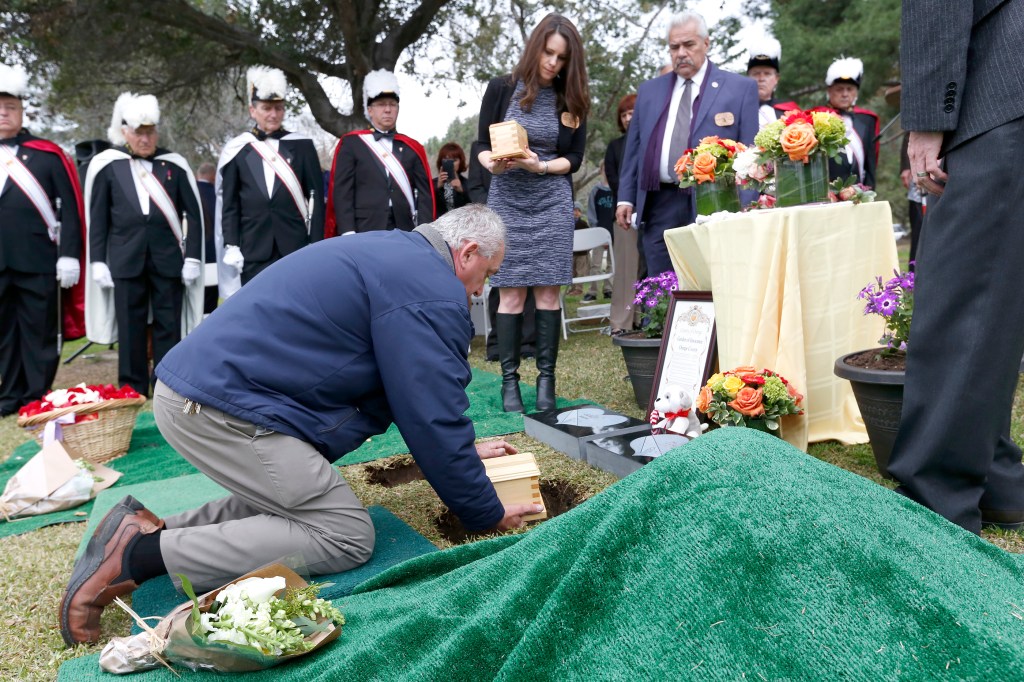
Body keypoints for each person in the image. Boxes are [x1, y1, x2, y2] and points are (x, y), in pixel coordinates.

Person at [58, 204, 543, 646]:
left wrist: (461, 450)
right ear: (468, 251)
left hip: (204, 394)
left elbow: (415, 395)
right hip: (218, 408)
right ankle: (138, 557)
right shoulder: (430, 288)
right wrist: (485, 512)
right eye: (487, 274)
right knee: (345, 533)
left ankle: (146, 529)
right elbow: (431, 410)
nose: (481, 289)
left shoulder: (394, 255)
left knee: (285, 491)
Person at [887, 1, 1024, 535]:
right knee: (997, 296)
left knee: (963, 297)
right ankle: (995, 476)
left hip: (998, 85)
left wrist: (926, 117)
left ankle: (934, 498)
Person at [477, 12, 589, 413]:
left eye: (561, 58)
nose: (552, 64)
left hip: (551, 203)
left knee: (547, 293)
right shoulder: (501, 88)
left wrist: (540, 165)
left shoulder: (571, 99)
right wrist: (492, 162)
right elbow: (480, 144)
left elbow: (573, 158)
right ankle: (510, 383)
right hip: (508, 200)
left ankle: (546, 382)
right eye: (548, 53)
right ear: (535, 47)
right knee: (509, 295)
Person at [615, 11, 759, 277]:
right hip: (660, 200)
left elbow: (751, 154)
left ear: (706, 43)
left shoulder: (739, 89)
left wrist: (748, 207)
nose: (681, 53)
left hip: (716, 200)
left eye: (688, 45)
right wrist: (625, 197)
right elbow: (634, 149)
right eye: (674, 47)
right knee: (661, 286)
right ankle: (663, 321)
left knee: (715, 279)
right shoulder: (649, 91)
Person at [84, 92, 204, 395]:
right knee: (130, 327)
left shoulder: (173, 165)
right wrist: (98, 260)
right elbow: (98, 218)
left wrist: (192, 257)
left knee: (169, 325)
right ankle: (131, 386)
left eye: (150, 131)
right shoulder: (108, 166)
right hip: (125, 258)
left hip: (167, 258)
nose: (146, 138)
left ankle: (167, 385)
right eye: (139, 132)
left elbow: (195, 214)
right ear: (125, 131)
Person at [0, 64, 85, 416]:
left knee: (39, 330)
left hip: (37, 259)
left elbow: (72, 209)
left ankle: (36, 394)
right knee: (4, 332)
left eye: (10, 108)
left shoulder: (47, 154)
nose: (4, 113)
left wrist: (69, 256)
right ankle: (9, 395)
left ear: (22, 111)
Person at [217, 66, 325, 298]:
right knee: (257, 311)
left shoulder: (302, 146)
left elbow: (316, 198)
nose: (273, 114)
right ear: (252, 110)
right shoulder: (239, 149)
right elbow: (231, 204)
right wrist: (232, 244)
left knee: (296, 308)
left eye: (278, 108)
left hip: (295, 246)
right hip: (253, 248)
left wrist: (315, 244)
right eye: (266, 108)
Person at [326, 70, 434, 236]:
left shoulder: (412, 147)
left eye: (392, 104)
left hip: (405, 228)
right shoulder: (352, 144)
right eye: (382, 104)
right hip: (365, 228)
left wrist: (425, 232)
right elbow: (343, 193)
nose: (388, 110)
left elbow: (426, 196)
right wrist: (347, 231)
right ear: (370, 110)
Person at [604, 93, 641, 334]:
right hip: (625, 214)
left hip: (657, 212)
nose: (628, 118)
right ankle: (621, 321)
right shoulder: (615, 147)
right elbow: (616, 181)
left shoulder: (653, 141)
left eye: (632, 113)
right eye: (624, 114)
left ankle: (646, 318)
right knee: (627, 269)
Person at [812, 57, 879, 188]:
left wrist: (870, 188)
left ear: (856, 92)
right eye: (839, 89)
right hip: (825, 191)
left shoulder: (867, 119)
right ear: (829, 91)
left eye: (850, 89)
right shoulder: (816, 117)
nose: (845, 94)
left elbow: (870, 160)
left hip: (859, 192)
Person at [745, 36, 798, 129]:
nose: (761, 78)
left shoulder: (791, 111)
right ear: (748, 77)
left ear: (777, 78)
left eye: (767, 74)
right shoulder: (736, 109)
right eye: (756, 73)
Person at [584, 162, 615, 302]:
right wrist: (597, 231)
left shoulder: (617, 190)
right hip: (598, 233)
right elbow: (591, 212)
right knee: (595, 264)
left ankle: (609, 289)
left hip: (615, 233)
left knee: (611, 264)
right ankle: (593, 291)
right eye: (605, 169)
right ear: (600, 171)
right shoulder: (596, 190)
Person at [195, 161, 218, 313]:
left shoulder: (189, 192)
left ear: (198, 175)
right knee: (210, 304)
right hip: (213, 254)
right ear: (214, 177)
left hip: (193, 254)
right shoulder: (217, 195)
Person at [898, 132, 924, 267]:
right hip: (920, 169)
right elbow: (910, 130)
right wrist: (906, 166)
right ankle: (913, 276)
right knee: (919, 227)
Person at [434, 142, 470, 216]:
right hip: (438, 225)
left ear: (460, 161)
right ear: (441, 162)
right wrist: (437, 188)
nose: (451, 164)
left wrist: (462, 191)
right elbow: (425, 207)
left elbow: (475, 207)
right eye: (446, 160)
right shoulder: (432, 184)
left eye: (454, 160)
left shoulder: (468, 183)